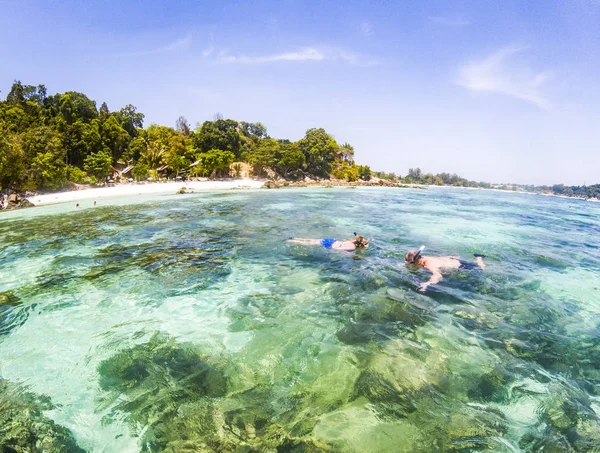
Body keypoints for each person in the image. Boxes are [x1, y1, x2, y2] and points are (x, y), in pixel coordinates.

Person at [405, 246, 486, 292]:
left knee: (481, 269)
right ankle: (478, 258)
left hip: (461, 265)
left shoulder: (428, 264)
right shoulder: (424, 257)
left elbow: (438, 275)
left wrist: (426, 284)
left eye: (410, 263)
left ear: (415, 261)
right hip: (453, 260)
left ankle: (479, 258)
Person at [288, 233, 369, 251]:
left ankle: (295, 238)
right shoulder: (352, 247)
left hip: (331, 240)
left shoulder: (353, 241)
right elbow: (338, 249)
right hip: (330, 244)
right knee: (308, 243)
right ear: (360, 245)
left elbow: (357, 237)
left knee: (312, 240)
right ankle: (290, 241)